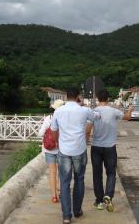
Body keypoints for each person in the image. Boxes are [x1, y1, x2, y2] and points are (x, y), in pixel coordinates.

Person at [51, 88, 98, 224]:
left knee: (64, 183)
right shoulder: (84, 110)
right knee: (79, 180)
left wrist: (58, 142)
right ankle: (77, 211)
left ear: (66, 97)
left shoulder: (58, 111)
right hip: (79, 150)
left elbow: (54, 131)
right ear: (78, 97)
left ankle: (66, 216)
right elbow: (96, 118)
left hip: (64, 151)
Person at [91, 89, 133, 212]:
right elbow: (127, 117)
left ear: (98, 98)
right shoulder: (114, 111)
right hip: (110, 147)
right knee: (111, 173)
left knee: (97, 174)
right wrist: (130, 110)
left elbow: (87, 130)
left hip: (96, 147)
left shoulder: (93, 112)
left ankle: (99, 201)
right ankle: (108, 195)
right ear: (108, 98)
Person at [38, 99, 65, 203]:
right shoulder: (65, 119)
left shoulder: (48, 118)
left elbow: (40, 133)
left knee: (52, 172)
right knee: (62, 172)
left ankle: (54, 196)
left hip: (49, 149)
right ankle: (62, 192)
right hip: (62, 149)